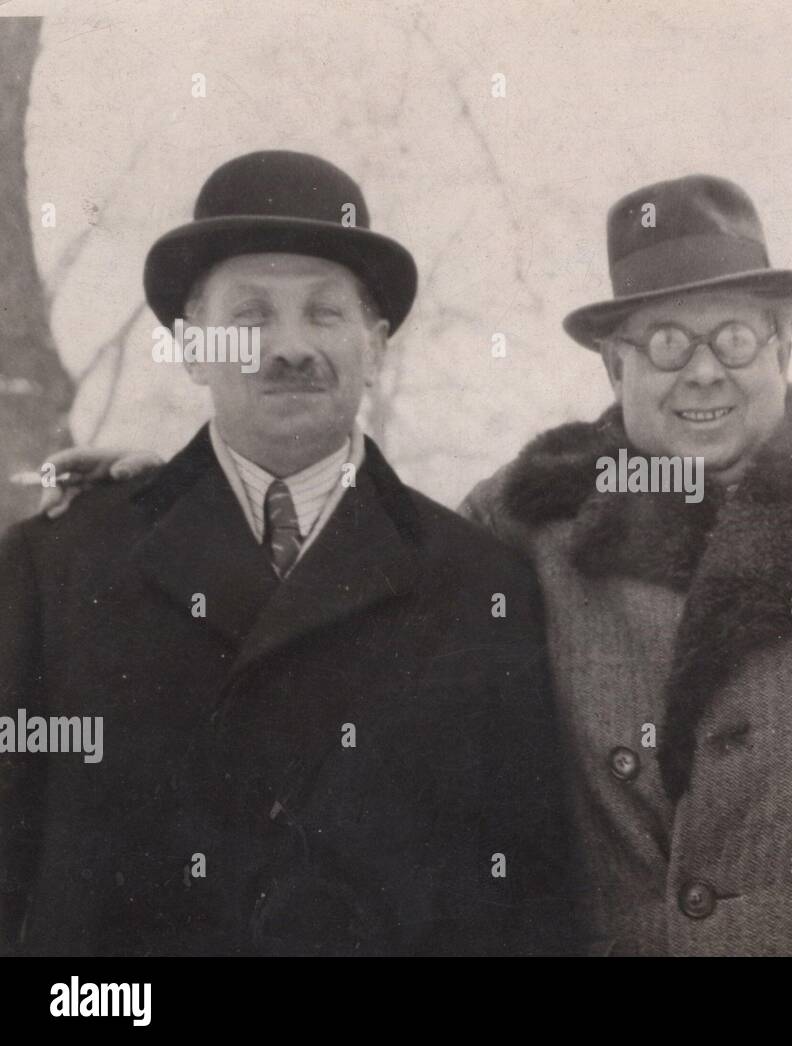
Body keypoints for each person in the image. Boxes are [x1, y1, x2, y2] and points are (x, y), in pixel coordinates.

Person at [0, 150, 569, 956]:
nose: (290, 347)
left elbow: (527, 909)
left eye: (325, 314)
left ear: (375, 350)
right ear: (193, 348)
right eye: (251, 316)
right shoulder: (56, 569)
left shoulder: (481, 588)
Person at [462, 174, 792, 954]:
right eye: (667, 341)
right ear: (614, 365)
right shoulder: (527, 531)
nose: (703, 371)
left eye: (734, 337)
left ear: (782, 346)